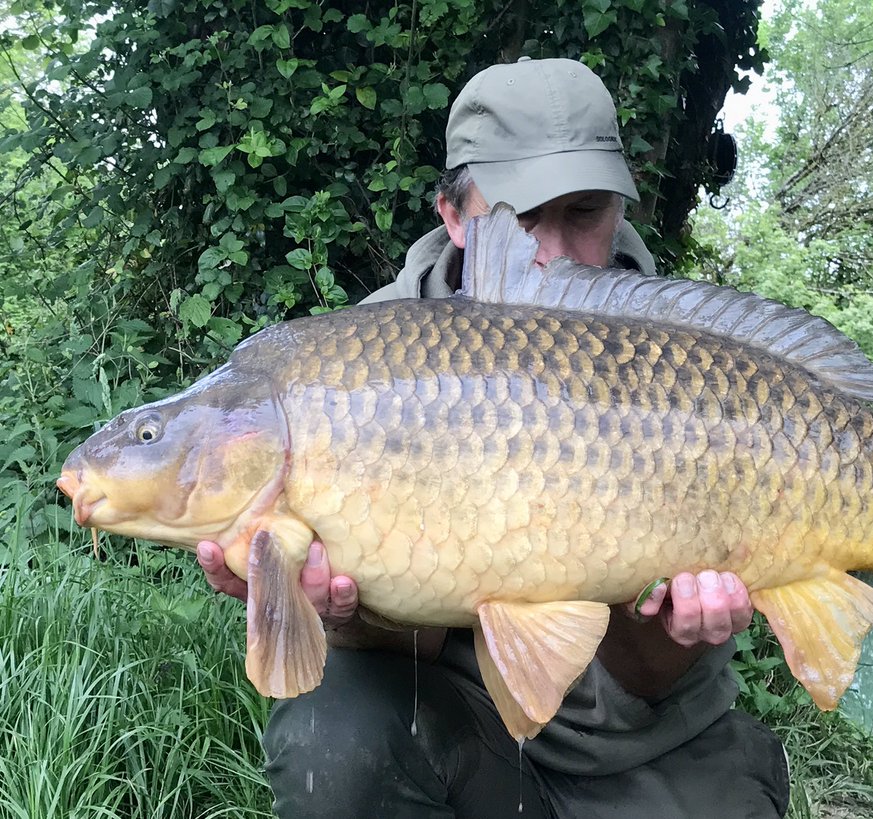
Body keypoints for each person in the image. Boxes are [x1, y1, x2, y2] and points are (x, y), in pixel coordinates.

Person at [198, 57, 790, 817]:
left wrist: (679, 629)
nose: (552, 252)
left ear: (619, 208)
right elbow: (390, 646)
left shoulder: (689, 353)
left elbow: (651, 678)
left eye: (583, 213)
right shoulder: (351, 366)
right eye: (517, 217)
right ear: (452, 212)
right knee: (335, 729)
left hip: (651, 744)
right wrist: (346, 611)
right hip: (465, 731)